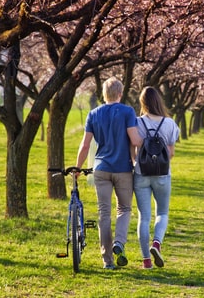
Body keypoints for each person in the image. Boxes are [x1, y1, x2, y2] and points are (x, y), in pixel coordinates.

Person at [75, 77, 143, 270]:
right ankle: (119, 243)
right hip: (123, 169)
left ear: (103, 94)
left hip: (101, 169)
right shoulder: (128, 111)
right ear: (120, 93)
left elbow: (85, 144)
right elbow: (134, 139)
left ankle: (107, 261)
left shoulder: (93, 114)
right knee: (124, 209)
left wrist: (78, 168)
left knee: (104, 213)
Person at [133, 86, 180, 269]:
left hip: (141, 173)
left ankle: (146, 261)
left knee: (143, 217)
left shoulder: (136, 123)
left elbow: (133, 147)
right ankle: (156, 244)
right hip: (162, 174)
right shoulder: (169, 123)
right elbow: (171, 153)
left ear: (142, 103)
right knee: (162, 213)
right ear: (159, 101)